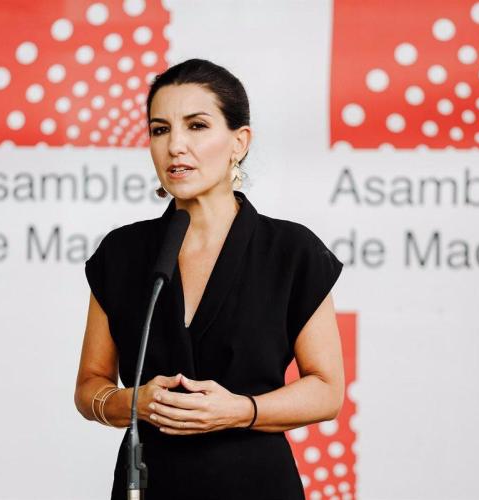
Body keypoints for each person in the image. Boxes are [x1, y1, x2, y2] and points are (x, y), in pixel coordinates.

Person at [74, 58, 345, 500]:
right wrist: (134, 402)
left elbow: (327, 391)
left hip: (256, 485)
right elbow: (90, 386)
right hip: (149, 483)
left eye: (197, 126)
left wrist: (240, 410)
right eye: (160, 130)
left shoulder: (290, 250)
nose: (175, 146)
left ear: (239, 141)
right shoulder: (122, 253)